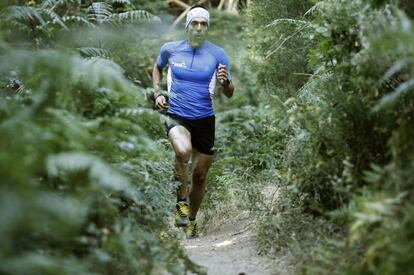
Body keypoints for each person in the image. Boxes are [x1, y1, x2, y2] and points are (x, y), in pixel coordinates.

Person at [152, 5, 234, 238]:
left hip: (205, 120)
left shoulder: (218, 54)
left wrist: (225, 82)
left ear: (207, 28)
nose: (199, 28)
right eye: (195, 23)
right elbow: (157, 68)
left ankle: (192, 221)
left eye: (203, 24)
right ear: (187, 26)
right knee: (182, 151)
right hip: (177, 115)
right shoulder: (170, 50)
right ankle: (181, 206)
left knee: (199, 175)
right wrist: (157, 93)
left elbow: (229, 92)